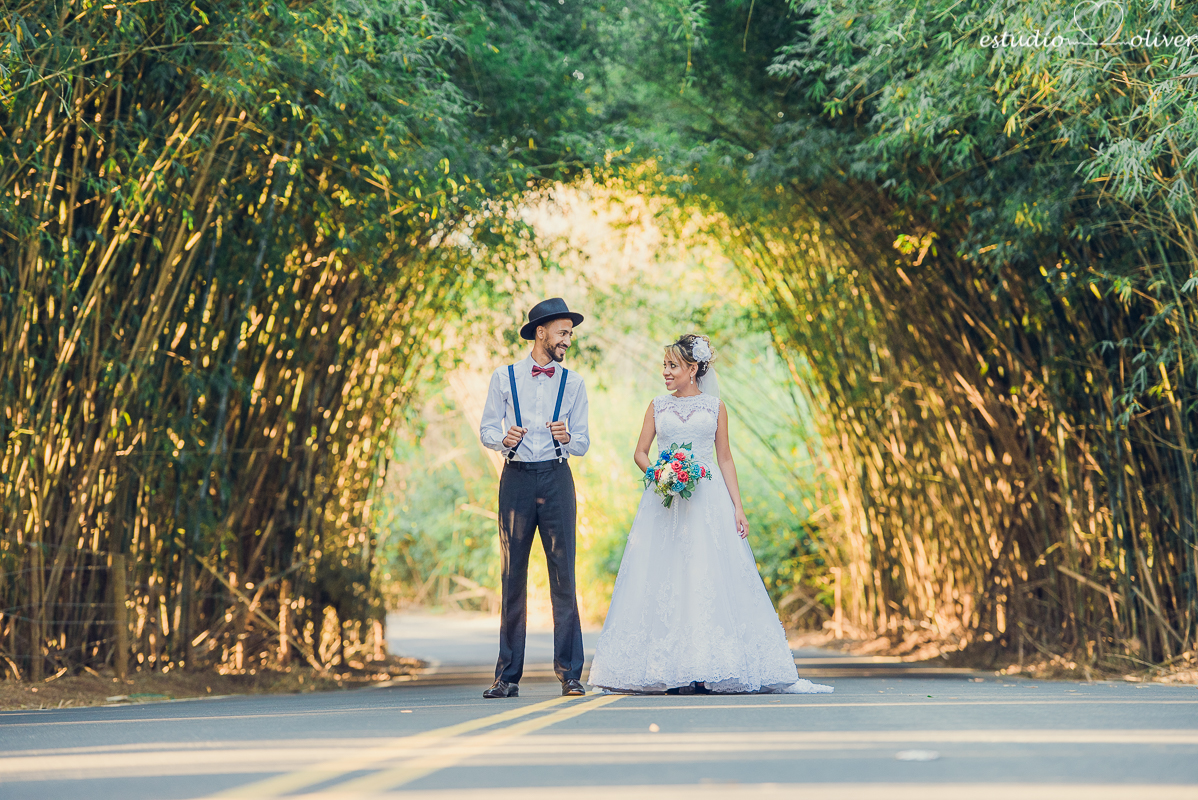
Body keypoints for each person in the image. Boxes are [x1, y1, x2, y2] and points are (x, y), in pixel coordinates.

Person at [587, 334, 832, 695]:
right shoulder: (656, 406)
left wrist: (738, 506)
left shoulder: (715, 407)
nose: (666, 372)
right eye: (665, 366)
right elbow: (640, 452)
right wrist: (660, 472)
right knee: (665, 577)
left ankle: (705, 666)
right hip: (665, 502)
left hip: (709, 502)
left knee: (706, 577)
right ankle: (669, 667)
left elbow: (725, 458)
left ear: (692, 368)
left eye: (672, 366)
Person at [478, 298, 590, 698]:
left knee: (564, 575)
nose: (567, 341)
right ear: (541, 332)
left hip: (558, 478)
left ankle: (571, 673)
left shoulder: (573, 383)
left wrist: (568, 438)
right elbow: (488, 428)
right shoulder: (504, 378)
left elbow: (583, 441)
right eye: (563, 333)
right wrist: (501, 439)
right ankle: (507, 676)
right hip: (517, 480)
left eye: (570, 334)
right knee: (513, 577)